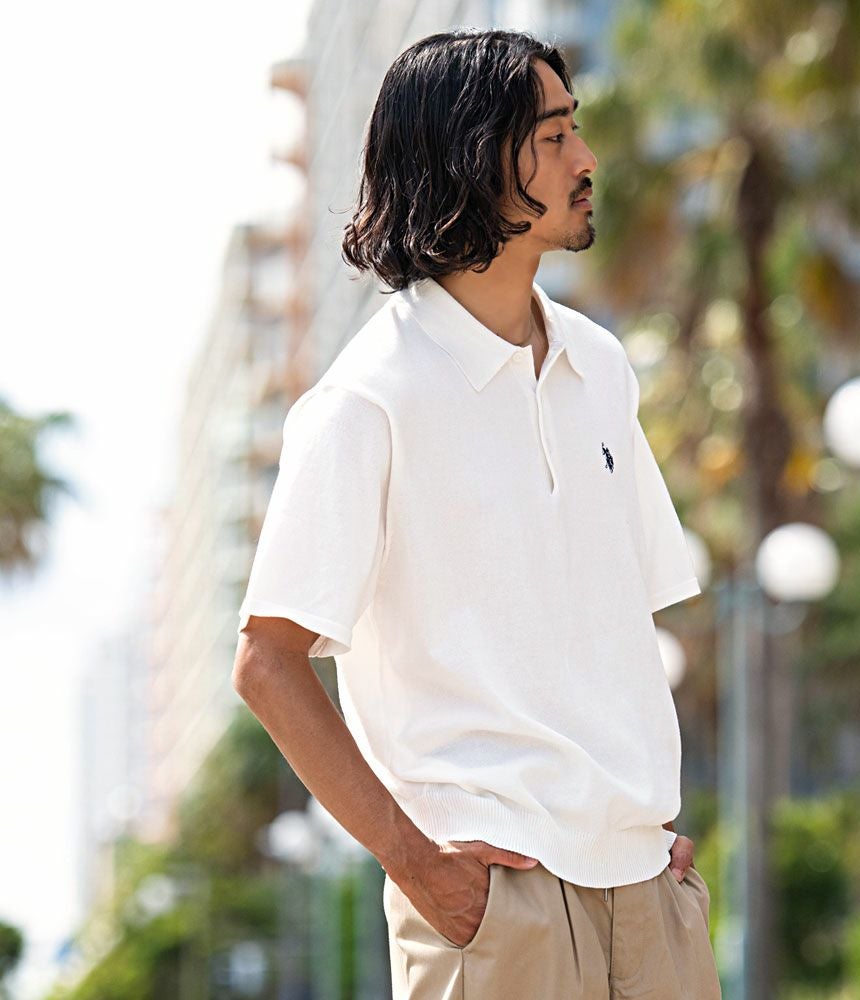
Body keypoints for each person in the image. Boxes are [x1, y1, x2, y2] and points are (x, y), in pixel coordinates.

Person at [233, 27, 722, 1000]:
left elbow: (623, 623)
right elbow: (266, 663)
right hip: (495, 909)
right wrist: (418, 865)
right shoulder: (366, 400)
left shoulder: (600, 366)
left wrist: (651, 827)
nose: (586, 160)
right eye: (553, 138)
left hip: (648, 892)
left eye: (576, 130)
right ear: (472, 157)